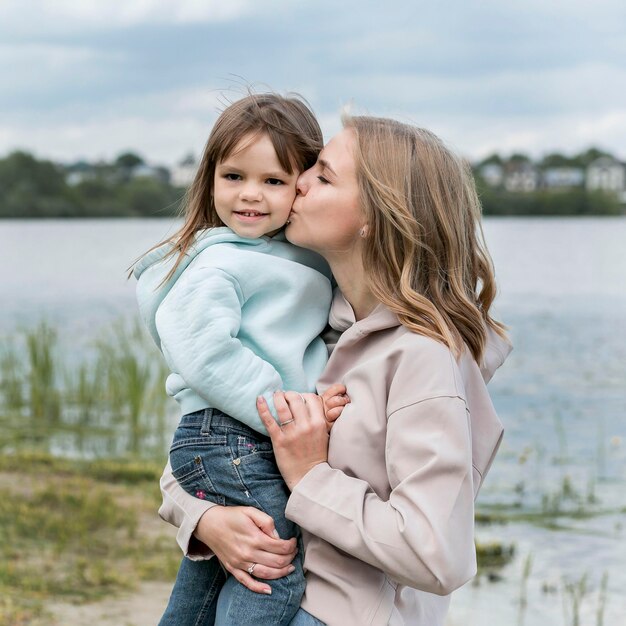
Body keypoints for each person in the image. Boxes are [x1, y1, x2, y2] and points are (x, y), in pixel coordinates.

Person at [157, 114, 512, 626]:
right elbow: (207, 455)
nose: (297, 181)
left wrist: (310, 477)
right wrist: (205, 519)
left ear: (376, 214)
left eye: (322, 176)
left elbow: (438, 553)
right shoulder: (318, 325)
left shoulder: (423, 356)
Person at [133, 93, 350, 626]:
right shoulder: (220, 263)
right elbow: (206, 353)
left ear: (302, 185)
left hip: (239, 433)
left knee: (211, 577)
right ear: (209, 178)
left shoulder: (293, 257)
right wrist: (295, 411)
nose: (250, 195)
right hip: (230, 435)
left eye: (273, 181)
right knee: (274, 571)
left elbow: (296, 342)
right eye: (233, 176)